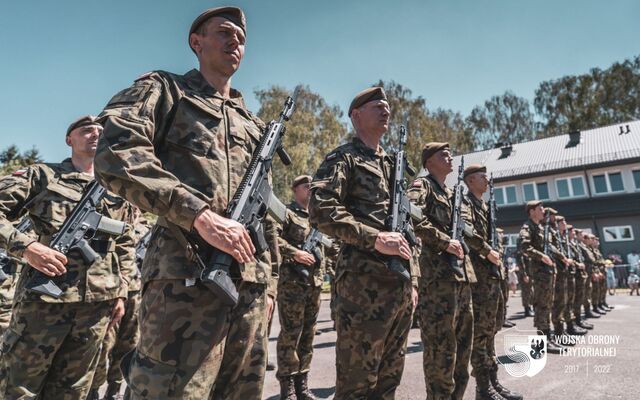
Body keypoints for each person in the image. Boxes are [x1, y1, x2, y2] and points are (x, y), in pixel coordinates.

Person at [93, 7, 279, 399]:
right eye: (225, 32)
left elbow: (266, 214)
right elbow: (116, 154)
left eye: (242, 38)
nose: (236, 42)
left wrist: (270, 284)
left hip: (249, 288)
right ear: (196, 42)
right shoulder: (164, 89)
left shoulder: (254, 124)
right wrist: (198, 214)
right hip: (184, 278)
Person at [0, 116, 133, 398]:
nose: (95, 134)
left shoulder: (118, 187)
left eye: (101, 131)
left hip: (96, 307)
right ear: (69, 139)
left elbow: (125, 243)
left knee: (74, 390)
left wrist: (121, 292)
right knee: (19, 385)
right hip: (44, 302)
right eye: (86, 130)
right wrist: (27, 247)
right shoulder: (42, 176)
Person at [309, 87, 418, 399]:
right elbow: (320, 210)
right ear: (356, 116)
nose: (385, 110)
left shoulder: (394, 166)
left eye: (387, 106)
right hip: (361, 288)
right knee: (357, 385)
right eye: (376, 106)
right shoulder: (344, 159)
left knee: (388, 382)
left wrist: (414, 280)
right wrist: (375, 238)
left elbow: (408, 229)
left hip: (399, 286)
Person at [407, 143, 476, 400]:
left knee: (462, 351)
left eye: (449, 154)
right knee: (440, 351)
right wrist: (444, 241)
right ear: (428, 162)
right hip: (437, 281)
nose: (449, 157)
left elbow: (469, 231)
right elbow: (412, 215)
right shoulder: (421, 187)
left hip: (461, 279)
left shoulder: (453, 193)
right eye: (442, 155)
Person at [462, 165, 523, 400]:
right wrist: (487, 250)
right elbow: (466, 230)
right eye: (482, 176)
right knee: (480, 334)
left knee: (490, 332)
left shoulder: (486, 207)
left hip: (493, 279)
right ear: (470, 181)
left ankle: (493, 381)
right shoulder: (465, 204)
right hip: (479, 280)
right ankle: (482, 388)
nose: (487, 179)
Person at [89, 208, 148, 400]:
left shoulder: (146, 229)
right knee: (104, 344)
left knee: (129, 344)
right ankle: (93, 389)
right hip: (112, 291)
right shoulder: (110, 223)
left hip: (136, 292)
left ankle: (114, 390)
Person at [276, 174, 324, 399]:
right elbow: (273, 239)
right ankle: (287, 389)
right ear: (296, 190)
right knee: (290, 336)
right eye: (307, 186)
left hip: (314, 286)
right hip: (292, 285)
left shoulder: (318, 219)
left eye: (312, 186)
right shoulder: (285, 213)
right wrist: (295, 253)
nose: (311, 190)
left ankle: (302, 385)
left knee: (308, 336)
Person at [516, 201, 563, 354]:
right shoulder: (527, 227)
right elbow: (524, 246)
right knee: (542, 306)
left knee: (547, 305)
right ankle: (543, 341)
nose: (543, 210)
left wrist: (561, 257)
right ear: (532, 211)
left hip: (548, 273)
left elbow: (550, 247)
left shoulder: (541, 228)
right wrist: (541, 256)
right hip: (539, 274)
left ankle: (548, 338)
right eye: (540, 208)